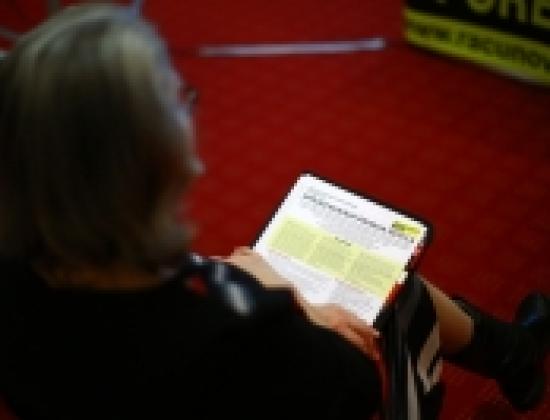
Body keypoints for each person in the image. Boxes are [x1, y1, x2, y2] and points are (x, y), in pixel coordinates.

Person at [0, 4, 547, 420]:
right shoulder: (245, 330)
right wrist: (294, 308)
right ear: (156, 161)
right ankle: (513, 354)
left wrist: (222, 279)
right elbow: (356, 387)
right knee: (387, 286)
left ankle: (512, 353)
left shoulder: (16, 276)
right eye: (178, 105)